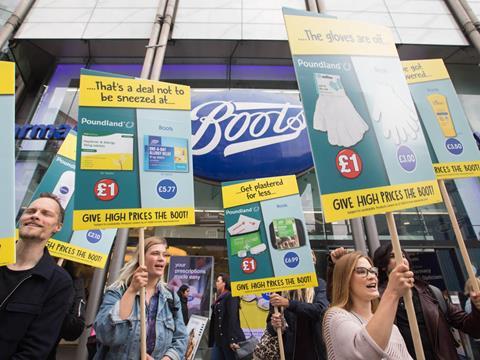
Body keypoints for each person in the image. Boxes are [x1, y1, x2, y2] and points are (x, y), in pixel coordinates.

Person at [373, 243, 480, 360]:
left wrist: (477, 308)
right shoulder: (376, 299)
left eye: (403, 256)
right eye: (393, 256)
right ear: (383, 266)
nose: (401, 259)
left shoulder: (431, 293)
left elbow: (472, 328)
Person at [0, 193, 73, 359]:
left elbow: (35, 351)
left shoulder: (58, 282)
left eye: (46, 214)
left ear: (58, 227)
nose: (35, 215)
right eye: (30, 211)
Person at [94, 236, 188, 360]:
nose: (161, 259)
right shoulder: (117, 292)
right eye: (155, 253)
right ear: (141, 258)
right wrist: (132, 290)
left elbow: (180, 339)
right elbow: (106, 335)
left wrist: (167, 358)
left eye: (164, 255)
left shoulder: (170, 297)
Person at [323, 251, 413, 359]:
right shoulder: (335, 317)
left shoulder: (392, 328)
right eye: (361, 271)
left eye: (372, 271)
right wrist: (392, 292)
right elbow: (365, 353)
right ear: (345, 279)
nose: (371, 276)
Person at [267, 279, 329, 360]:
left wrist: (289, 303)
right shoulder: (280, 288)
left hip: (315, 352)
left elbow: (320, 310)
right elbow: (270, 326)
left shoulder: (318, 284)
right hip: (290, 354)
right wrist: (275, 325)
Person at [208, 273, 245, 360]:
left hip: (228, 340)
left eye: (218, 281)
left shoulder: (231, 296)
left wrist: (232, 339)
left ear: (224, 283)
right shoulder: (219, 298)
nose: (216, 283)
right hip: (218, 340)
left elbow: (233, 318)